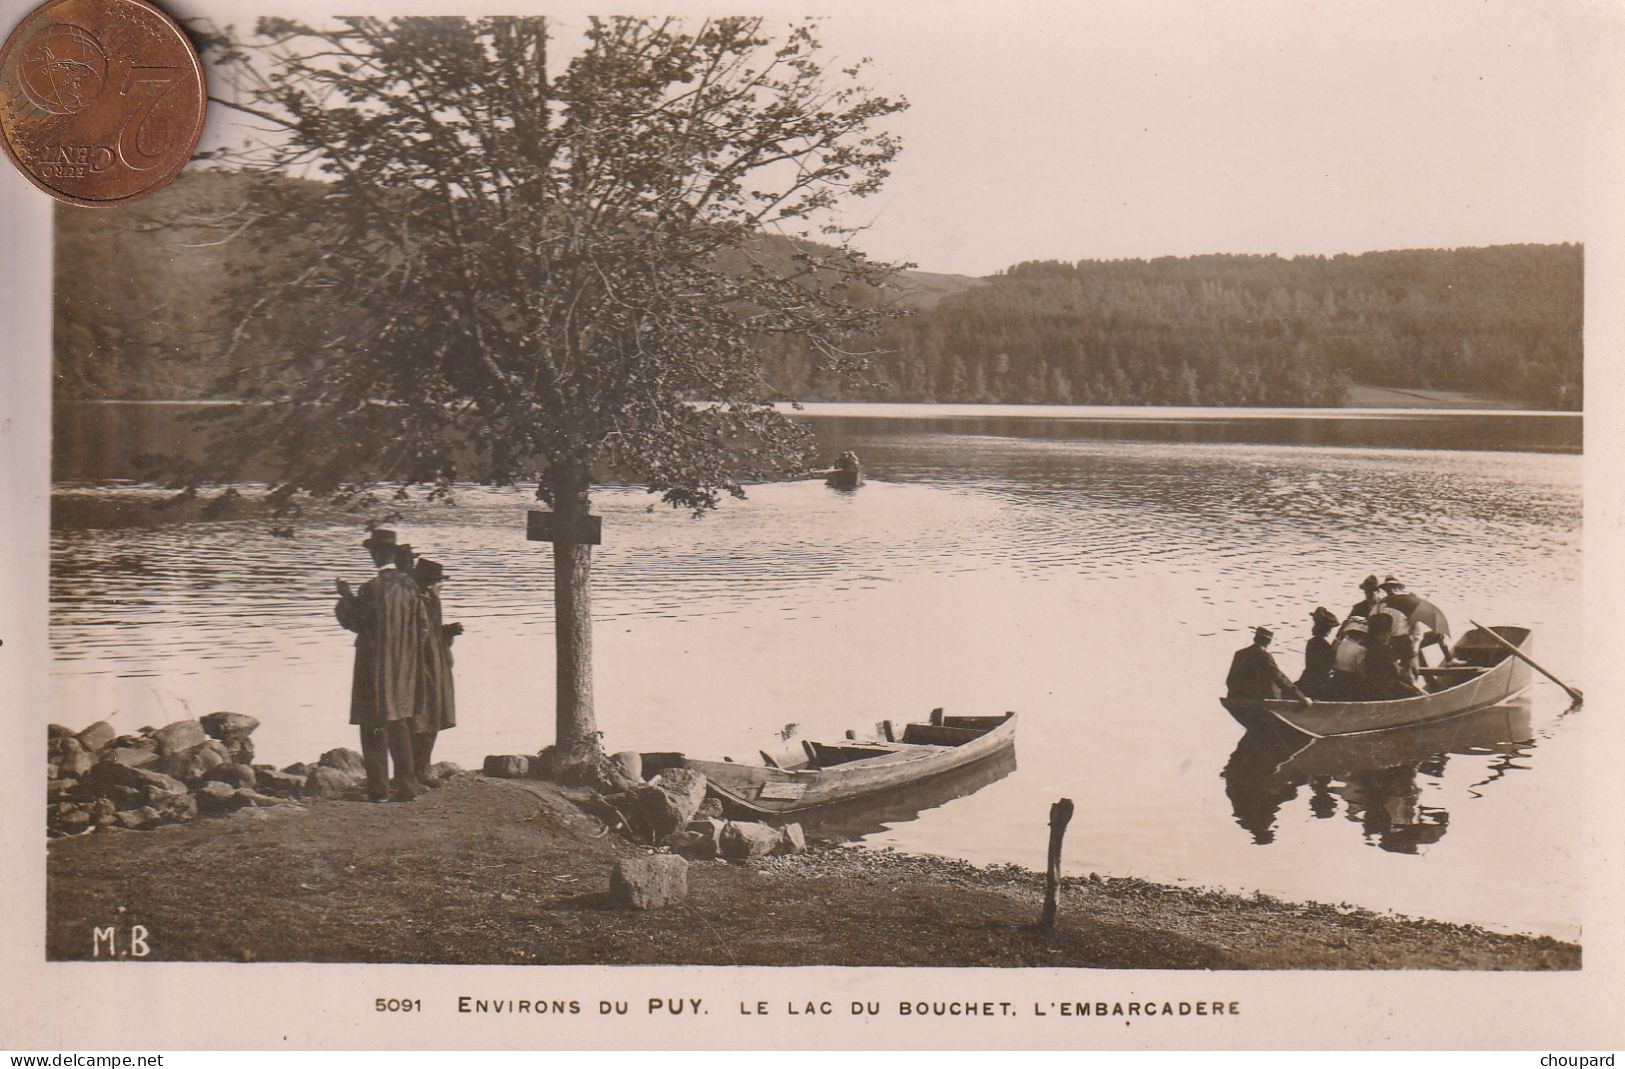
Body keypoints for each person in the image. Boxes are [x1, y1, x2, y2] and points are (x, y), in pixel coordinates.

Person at [335, 528, 427, 802]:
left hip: (373, 668)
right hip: (403, 670)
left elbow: (357, 623)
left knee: (373, 726)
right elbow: (422, 628)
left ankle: (378, 789)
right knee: (399, 725)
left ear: (375, 554)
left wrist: (345, 597)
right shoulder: (411, 587)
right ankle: (407, 787)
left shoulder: (371, 588)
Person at [410, 557, 461, 784]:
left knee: (434, 715)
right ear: (429, 583)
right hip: (423, 667)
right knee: (423, 717)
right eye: (439, 582)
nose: (442, 586)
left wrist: (447, 631)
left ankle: (421, 767)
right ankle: (417, 770)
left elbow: (431, 632)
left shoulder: (432, 601)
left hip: (437, 665)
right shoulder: (418, 602)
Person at [1226, 626, 1313, 705]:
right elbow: (1279, 678)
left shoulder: (1240, 654)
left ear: (1255, 638)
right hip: (1258, 699)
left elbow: (1229, 680)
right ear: (1268, 642)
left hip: (1236, 697)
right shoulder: (1264, 656)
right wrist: (1301, 697)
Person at [1359, 613, 1426, 700]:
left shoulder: (1371, 645)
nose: (1386, 636)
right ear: (1374, 635)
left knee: (1410, 685)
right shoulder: (1379, 650)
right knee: (1415, 693)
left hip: (1381, 686)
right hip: (1384, 688)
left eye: (1387, 633)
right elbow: (1393, 672)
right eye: (1382, 634)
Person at [1294, 606, 1339, 698]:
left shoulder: (1311, 642)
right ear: (1327, 630)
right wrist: (1334, 650)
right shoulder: (1326, 646)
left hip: (1306, 680)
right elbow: (1329, 667)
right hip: (1319, 685)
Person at [1329, 617, 1370, 699]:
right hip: (1351, 681)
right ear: (1362, 635)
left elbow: (1335, 665)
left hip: (1337, 678)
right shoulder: (1361, 649)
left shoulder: (1340, 645)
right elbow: (1361, 669)